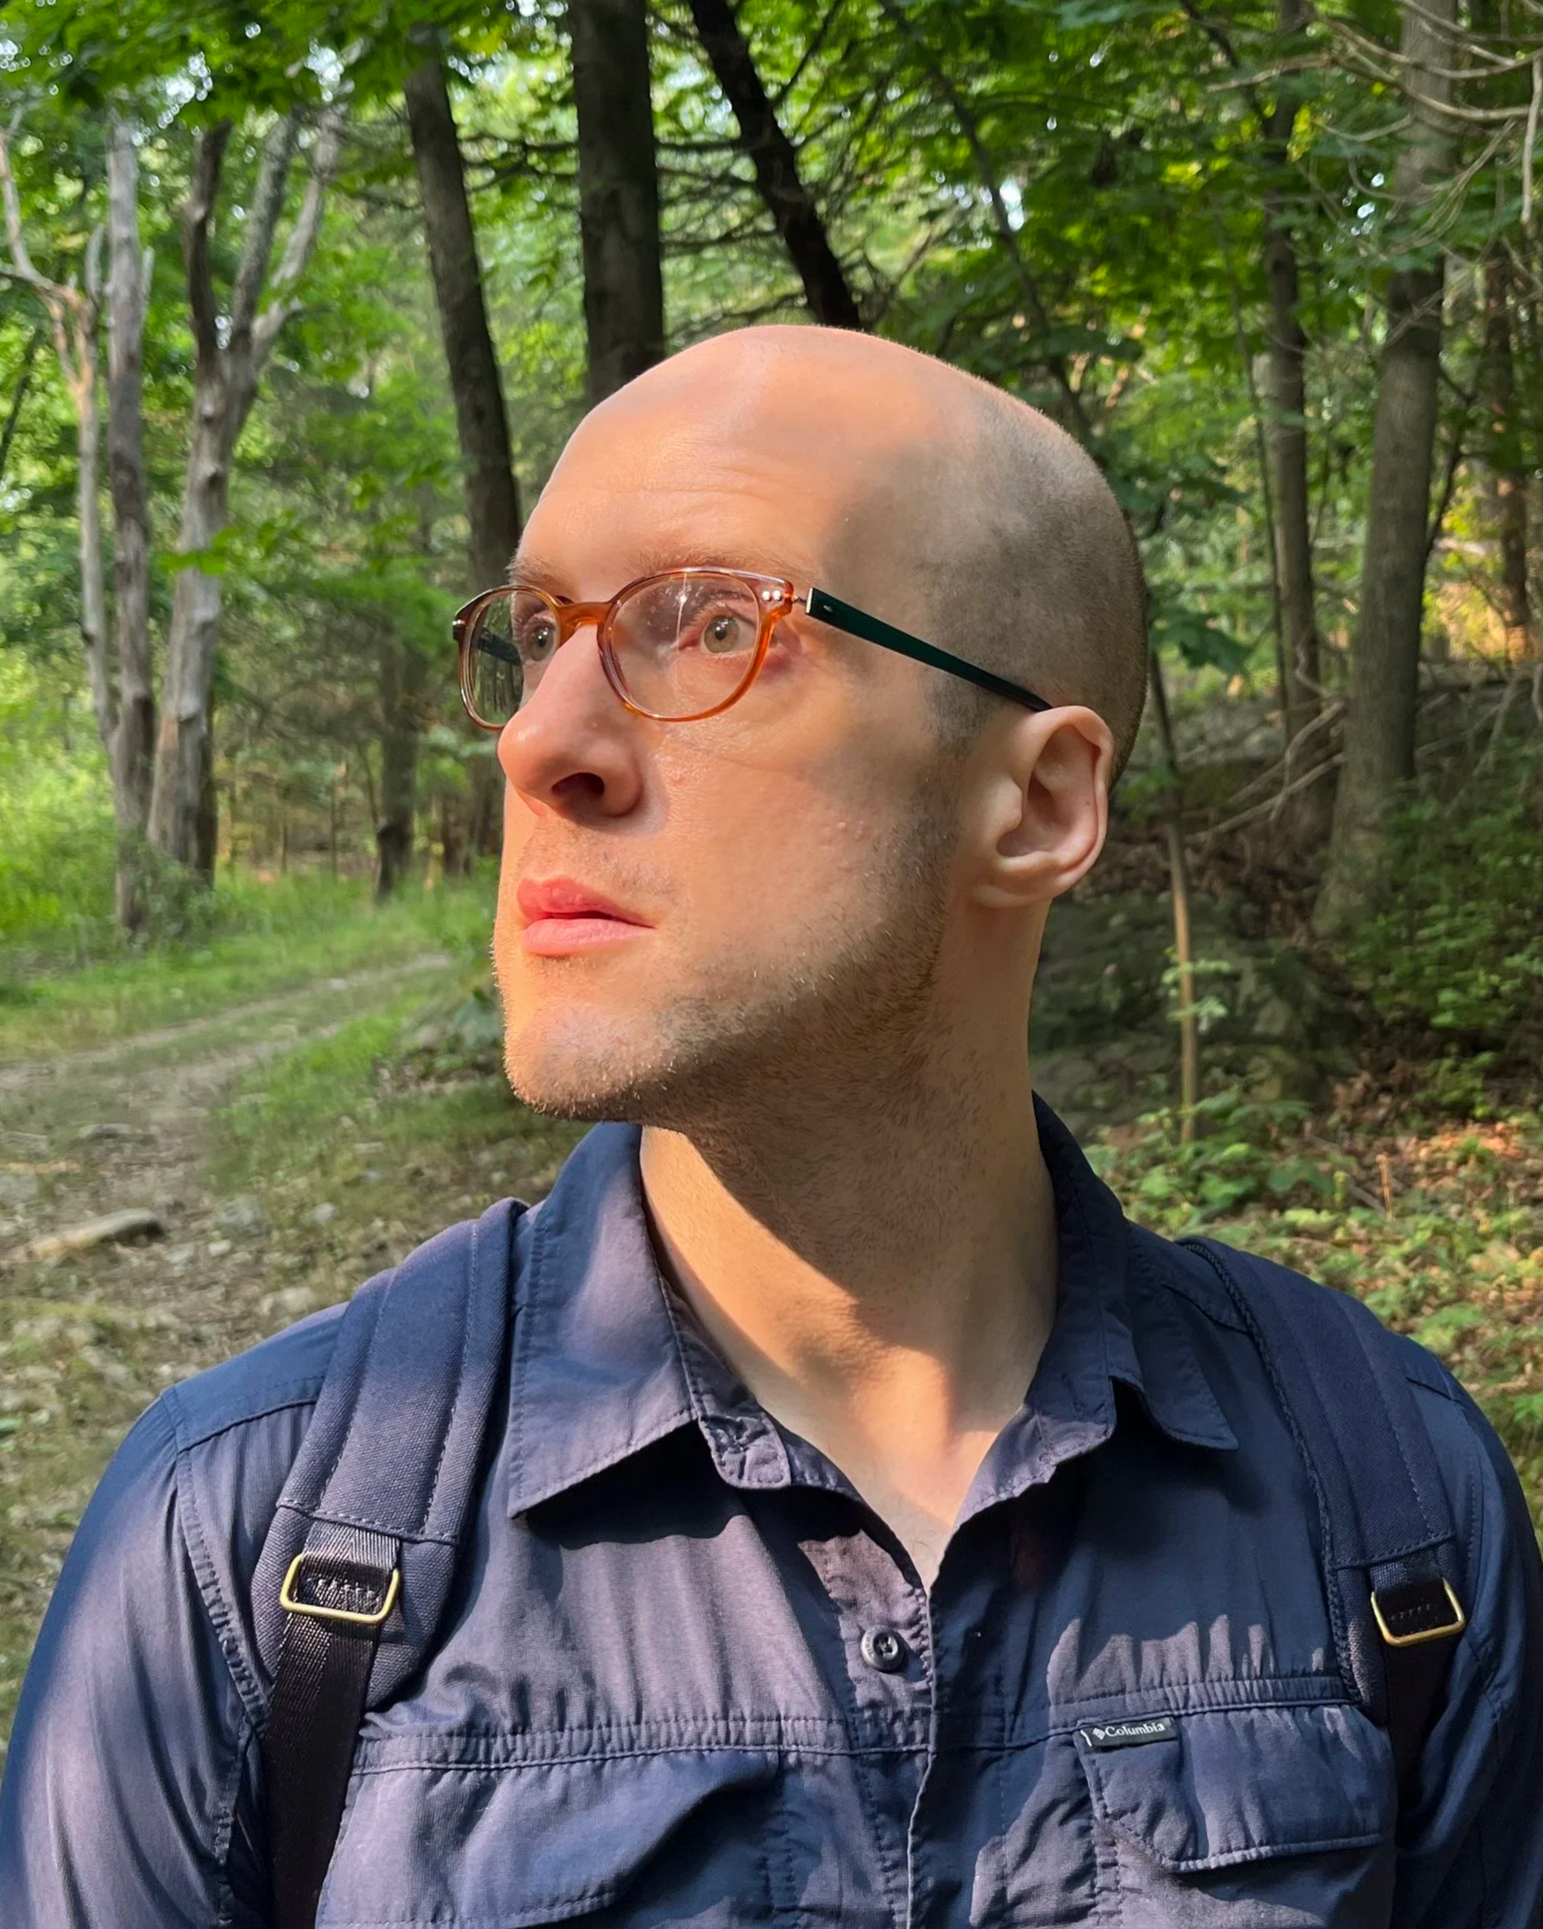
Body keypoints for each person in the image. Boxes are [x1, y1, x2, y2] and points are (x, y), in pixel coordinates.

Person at [2, 325, 1540, 1927]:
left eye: (707, 625)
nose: (536, 742)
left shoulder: (1389, 1500)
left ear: (1035, 806)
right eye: (535, 637)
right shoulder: (252, 1540)